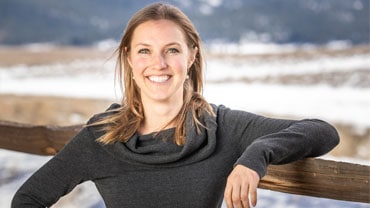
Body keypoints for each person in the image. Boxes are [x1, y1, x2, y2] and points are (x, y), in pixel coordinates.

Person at [11, 2, 339, 208]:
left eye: (172, 50)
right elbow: (27, 199)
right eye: (144, 51)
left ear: (191, 55)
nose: (159, 64)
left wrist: (255, 156)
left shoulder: (220, 127)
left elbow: (322, 132)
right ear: (128, 57)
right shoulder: (102, 136)